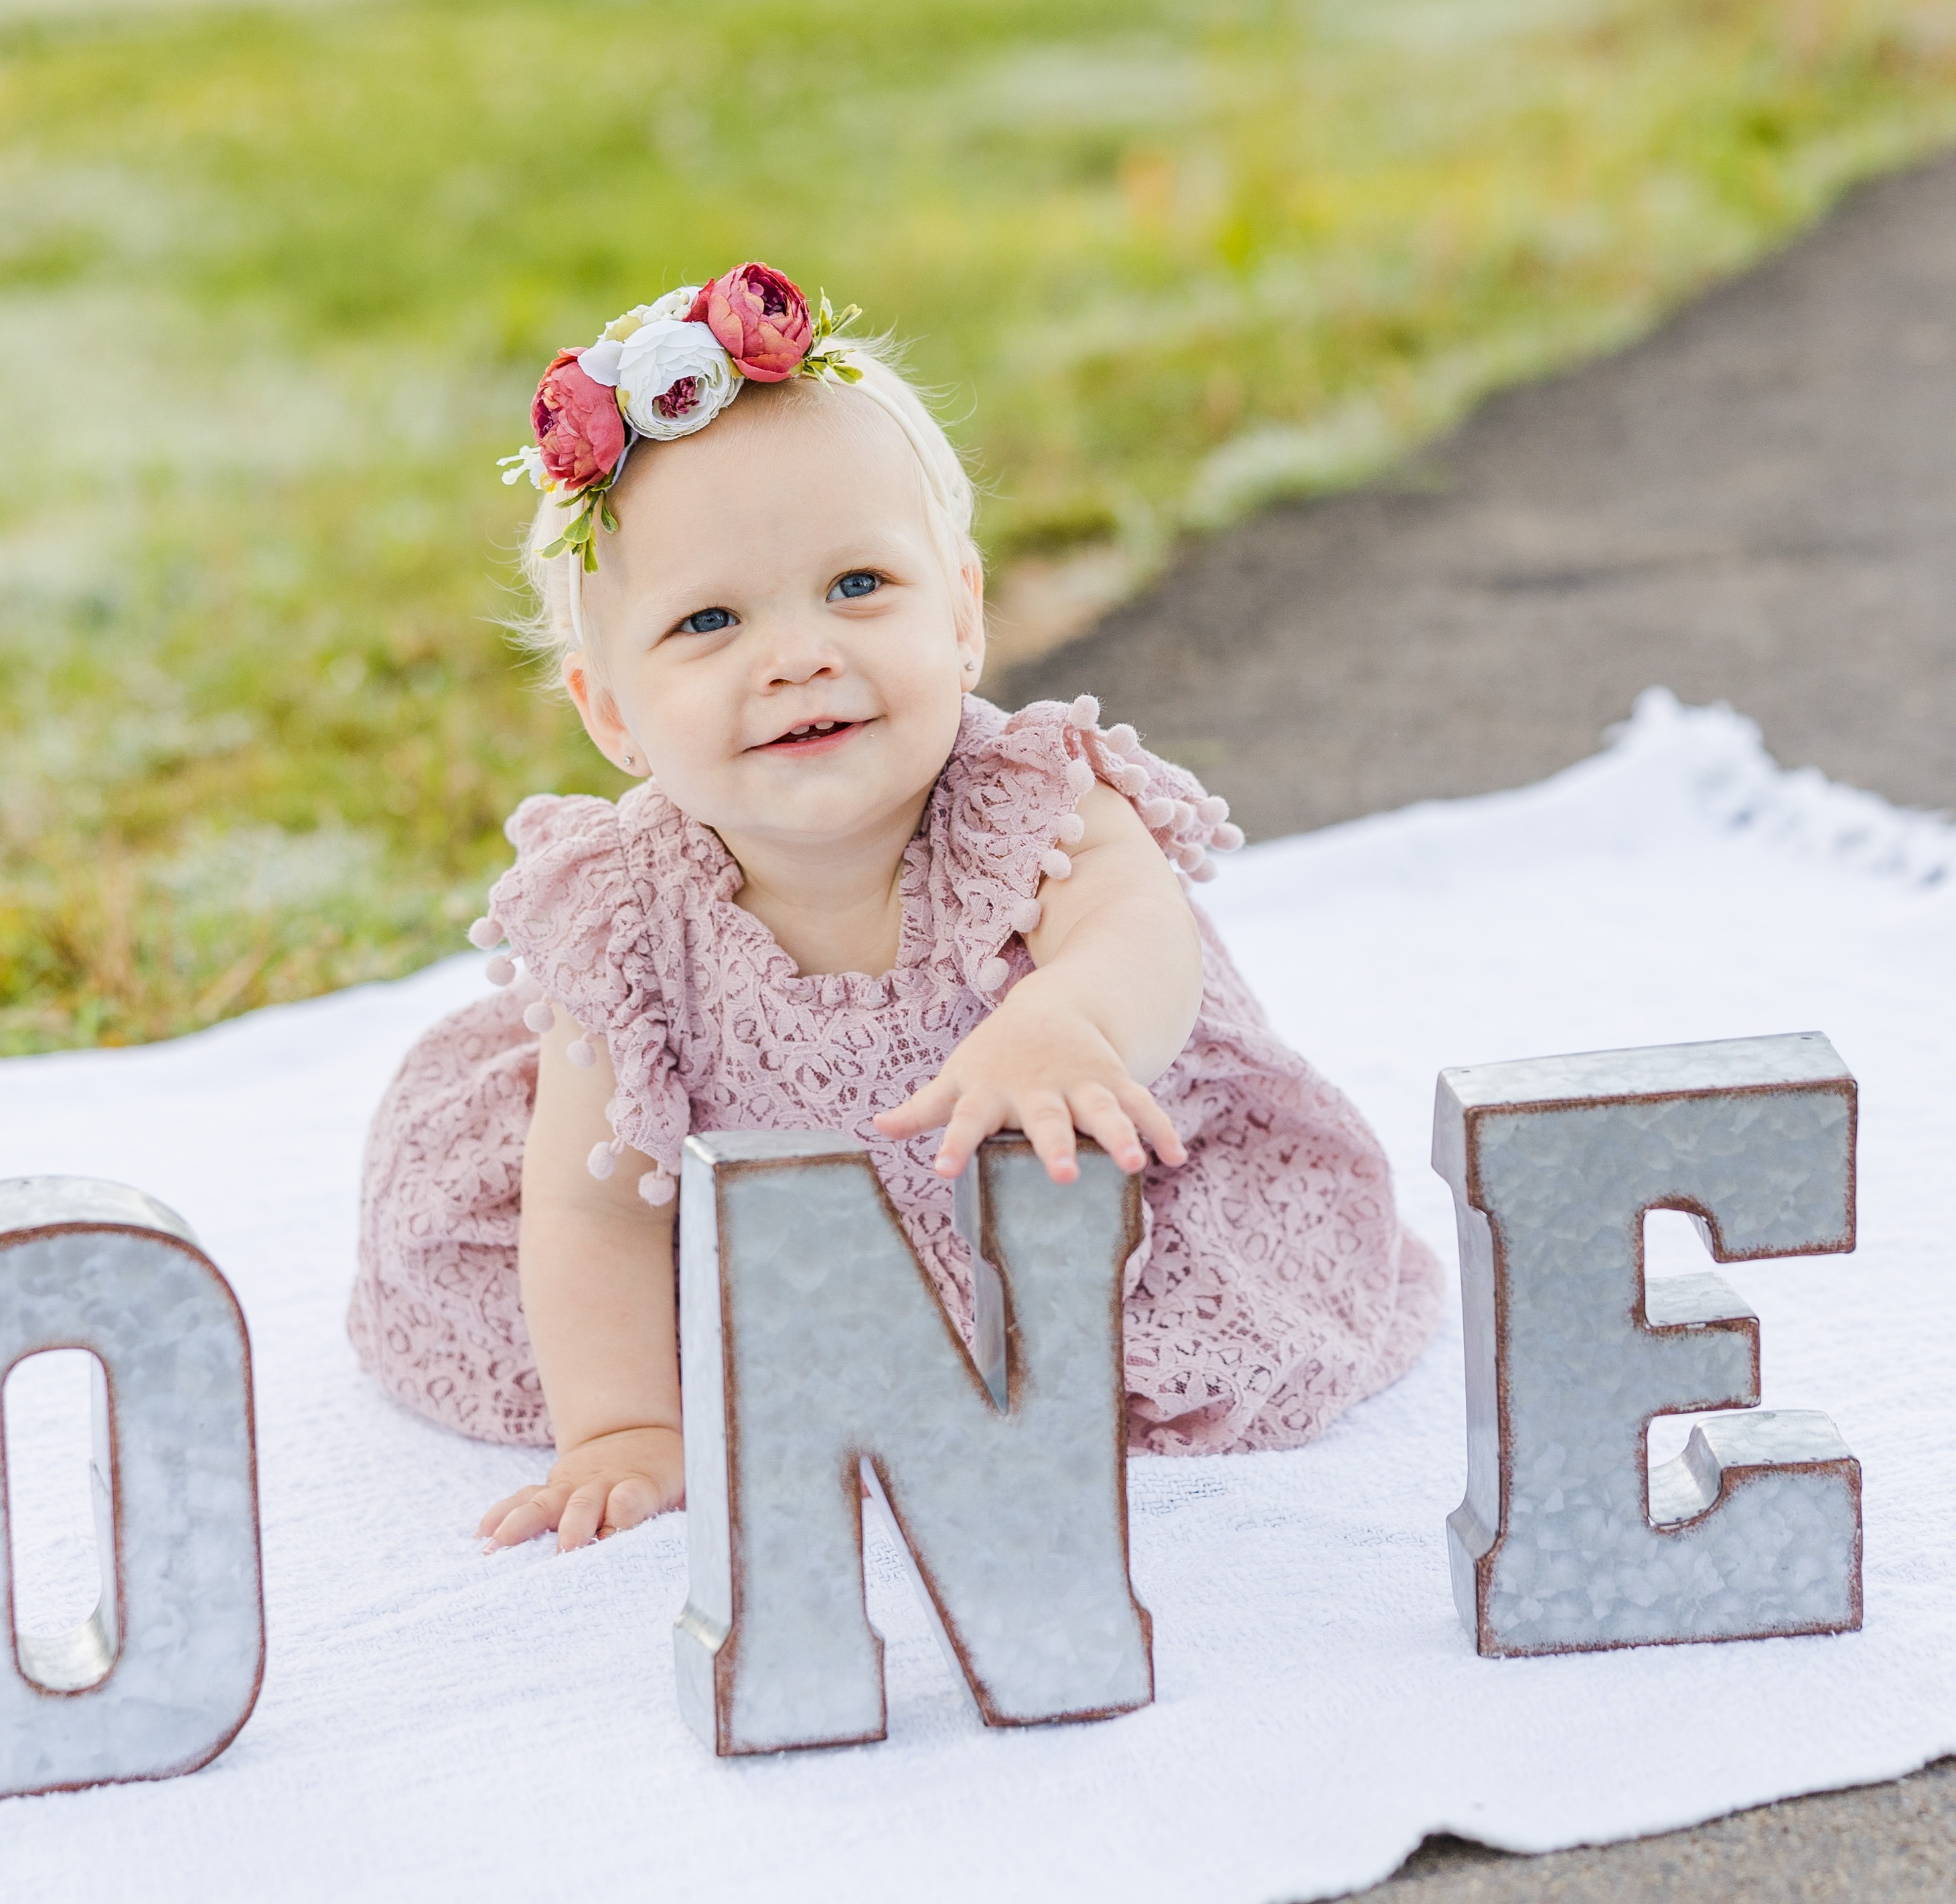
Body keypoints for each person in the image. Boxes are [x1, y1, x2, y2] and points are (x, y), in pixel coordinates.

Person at [346, 263, 1440, 1553]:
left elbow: (1144, 936)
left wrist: (1073, 1022)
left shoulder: (1028, 801)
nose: (800, 653)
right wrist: (624, 1427)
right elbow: (596, 1203)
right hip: (784, 1251)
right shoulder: (625, 917)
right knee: (577, 1280)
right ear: (611, 715)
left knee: (1184, 1326)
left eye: (859, 586)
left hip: (1073, 1203)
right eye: (708, 620)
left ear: (964, 614)